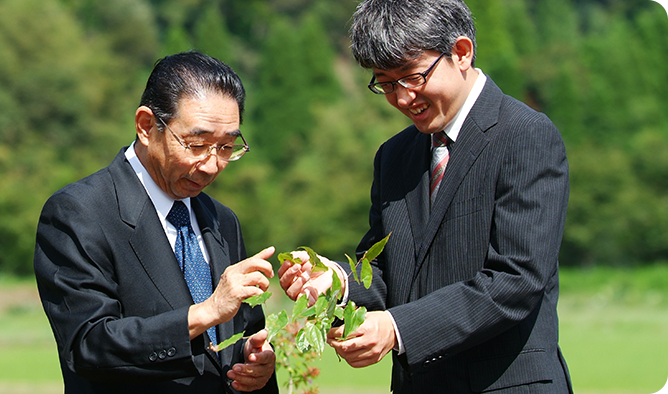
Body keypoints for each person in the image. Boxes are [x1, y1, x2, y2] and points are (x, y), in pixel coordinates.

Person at [278, 0, 573, 393]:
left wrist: (398, 329)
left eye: (412, 77)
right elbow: (388, 272)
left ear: (462, 53)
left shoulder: (525, 135)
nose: (402, 99)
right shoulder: (394, 156)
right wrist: (336, 281)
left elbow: (516, 279)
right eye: (385, 83)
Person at [34, 51, 278, 394]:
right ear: (147, 126)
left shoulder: (222, 220)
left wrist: (258, 363)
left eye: (226, 147)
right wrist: (203, 314)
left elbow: (243, 330)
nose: (211, 165)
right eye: (197, 144)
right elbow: (88, 345)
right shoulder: (79, 213)